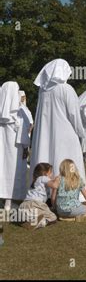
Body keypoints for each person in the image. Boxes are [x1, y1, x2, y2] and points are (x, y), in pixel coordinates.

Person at [30, 59, 86, 192]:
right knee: (67, 161)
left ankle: (47, 193)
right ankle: (70, 192)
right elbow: (74, 114)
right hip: (65, 134)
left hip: (45, 134)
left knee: (46, 156)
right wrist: (81, 132)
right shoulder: (66, 89)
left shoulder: (43, 91)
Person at [0, 81, 30, 211]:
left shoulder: (2, 112)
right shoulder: (19, 112)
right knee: (11, 173)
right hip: (14, 150)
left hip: (3, 150)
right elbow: (23, 133)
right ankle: (8, 202)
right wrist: (25, 148)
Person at [19, 163, 59, 229]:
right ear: (45, 173)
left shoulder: (35, 182)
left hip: (23, 206)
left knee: (40, 213)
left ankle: (27, 220)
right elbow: (54, 185)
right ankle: (41, 222)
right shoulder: (43, 178)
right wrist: (57, 179)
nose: (51, 175)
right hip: (34, 204)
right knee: (53, 217)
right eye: (50, 172)